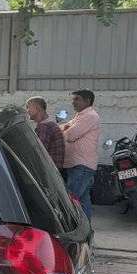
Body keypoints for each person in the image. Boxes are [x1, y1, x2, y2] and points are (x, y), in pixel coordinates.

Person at [61, 89, 101, 218]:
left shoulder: (90, 116)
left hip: (82, 165)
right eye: (73, 99)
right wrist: (65, 129)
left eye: (77, 99)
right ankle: (86, 227)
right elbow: (63, 128)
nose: (73, 102)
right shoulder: (80, 116)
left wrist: (66, 130)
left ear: (87, 101)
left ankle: (73, 228)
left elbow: (71, 135)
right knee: (83, 201)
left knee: (70, 201)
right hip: (78, 165)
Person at [25, 97, 64, 169]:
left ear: (38, 108)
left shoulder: (44, 127)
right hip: (54, 170)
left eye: (28, 107)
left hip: (48, 170)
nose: (27, 111)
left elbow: (38, 152)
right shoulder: (50, 124)